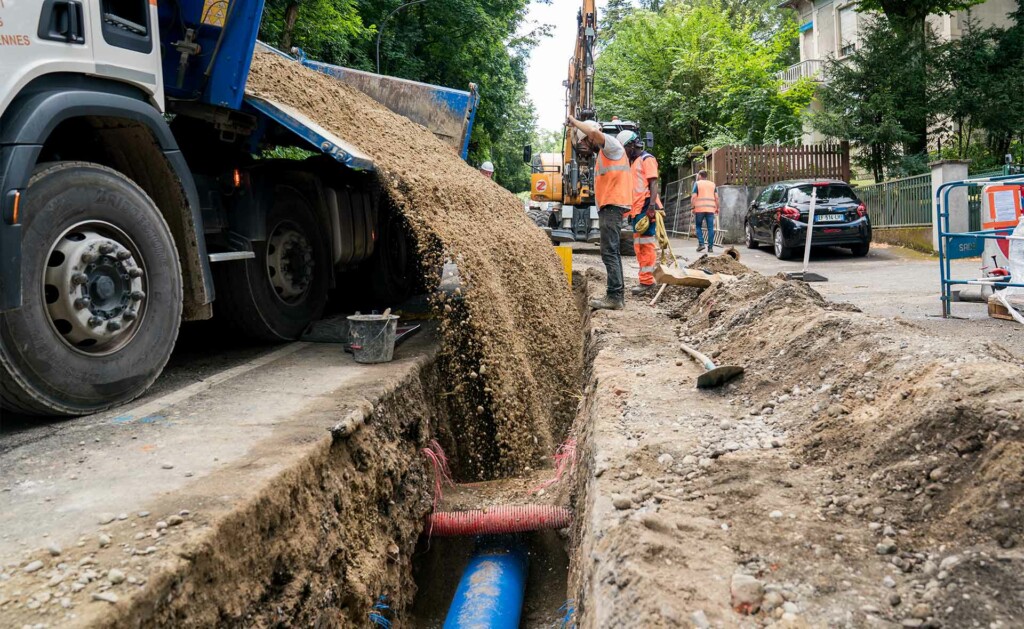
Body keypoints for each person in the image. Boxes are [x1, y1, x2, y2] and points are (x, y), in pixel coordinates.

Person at [567, 114, 631, 310]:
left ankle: (614, 297)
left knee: (609, 251)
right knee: (611, 250)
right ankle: (617, 295)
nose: (584, 145)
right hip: (609, 205)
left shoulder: (611, 145)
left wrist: (574, 121)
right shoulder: (603, 155)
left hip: (613, 204)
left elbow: (593, 131)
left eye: (585, 140)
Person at [624, 131, 661, 296]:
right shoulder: (635, 162)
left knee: (645, 245)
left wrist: (651, 207)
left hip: (646, 208)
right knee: (639, 246)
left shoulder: (647, 159)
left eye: (625, 148)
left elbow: (653, 183)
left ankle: (647, 281)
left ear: (632, 145)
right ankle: (644, 279)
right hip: (638, 209)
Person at [691, 169, 719, 253]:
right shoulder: (712, 184)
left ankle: (701, 244)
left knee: (698, 226)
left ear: (699, 176)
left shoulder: (697, 183)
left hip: (699, 209)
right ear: (706, 176)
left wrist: (692, 207)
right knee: (710, 228)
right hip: (710, 209)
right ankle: (710, 247)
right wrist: (717, 208)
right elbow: (716, 197)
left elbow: (693, 197)